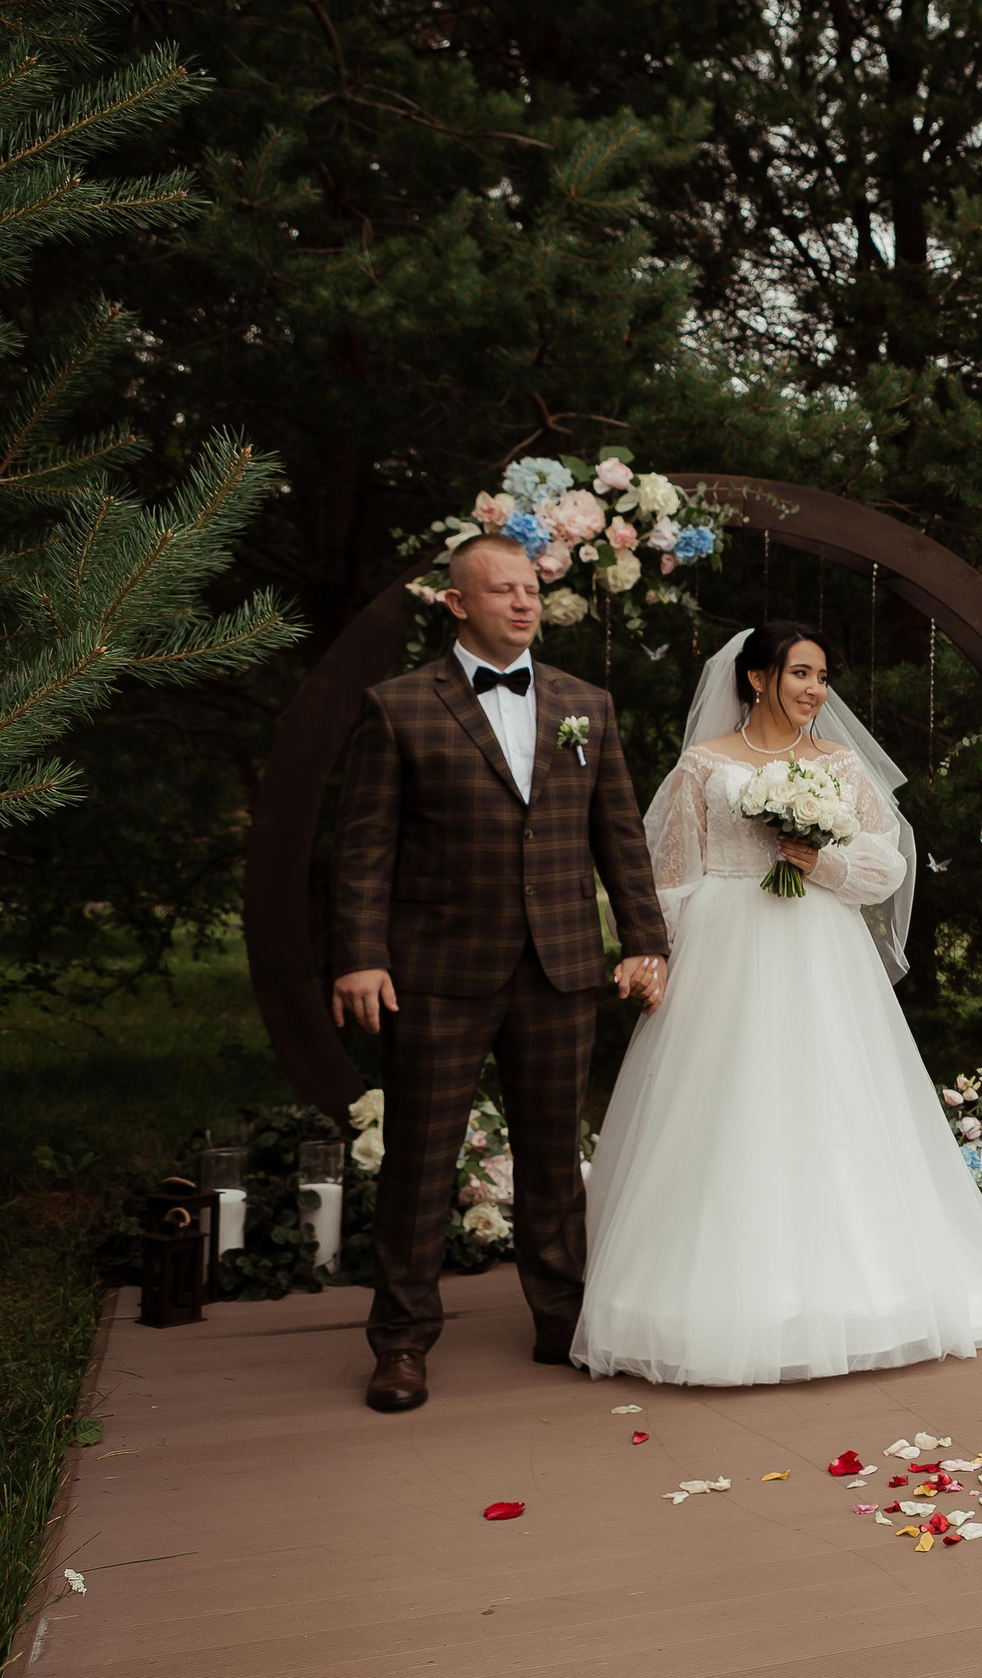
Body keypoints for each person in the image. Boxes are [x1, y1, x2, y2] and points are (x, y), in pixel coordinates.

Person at [569, 621, 982, 1384]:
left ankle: (858, 1284)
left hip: (822, 955)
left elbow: (887, 865)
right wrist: (657, 961)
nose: (815, 691)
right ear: (757, 678)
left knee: (833, 1103)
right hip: (724, 954)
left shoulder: (838, 762)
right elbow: (667, 879)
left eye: (823, 677)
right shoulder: (702, 766)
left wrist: (819, 859)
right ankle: (714, 1294)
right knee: (729, 1107)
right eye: (800, 673)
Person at [332, 536, 670, 1414]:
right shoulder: (398, 705)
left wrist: (645, 939)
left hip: (557, 965)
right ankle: (401, 1343)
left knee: (556, 1160)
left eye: (531, 590)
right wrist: (360, 954)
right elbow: (364, 844)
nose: (523, 604)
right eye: (501, 590)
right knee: (418, 1161)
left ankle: (562, 1319)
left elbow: (620, 836)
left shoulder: (583, 703)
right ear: (455, 603)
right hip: (436, 971)